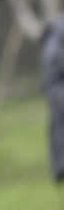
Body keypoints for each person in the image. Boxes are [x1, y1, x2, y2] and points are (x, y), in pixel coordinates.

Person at [41, 16, 64, 184]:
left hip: (54, 89)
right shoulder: (55, 42)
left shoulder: (53, 40)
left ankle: (58, 167)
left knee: (57, 127)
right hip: (57, 89)